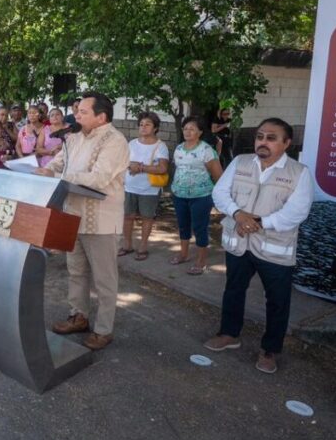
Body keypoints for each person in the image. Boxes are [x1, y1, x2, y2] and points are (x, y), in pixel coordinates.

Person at [206, 118, 314, 374]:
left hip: (274, 248)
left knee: (277, 301)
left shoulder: (299, 172)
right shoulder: (241, 162)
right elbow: (220, 193)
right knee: (233, 290)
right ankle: (229, 334)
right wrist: (237, 214)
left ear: (286, 143)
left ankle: (270, 350)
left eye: (271, 137)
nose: (263, 142)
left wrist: (260, 222)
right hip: (239, 243)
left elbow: (297, 211)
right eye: (260, 136)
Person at [37, 92, 130, 351]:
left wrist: (63, 175)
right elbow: (59, 162)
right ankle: (79, 316)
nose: (76, 115)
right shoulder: (75, 137)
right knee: (76, 271)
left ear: (101, 117)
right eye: (77, 111)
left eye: (83, 112)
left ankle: (103, 329)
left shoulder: (115, 140)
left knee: (104, 279)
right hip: (73, 216)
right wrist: (45, 170)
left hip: (101, 221)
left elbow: (99, 179)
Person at [170, 116, 223, 275]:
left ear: (200, 132)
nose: (188, 131)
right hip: (179, 194)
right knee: (183, 225)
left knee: (200, 227)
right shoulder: (179, 148)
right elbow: (178, 169)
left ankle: (201, 260)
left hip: (201, 196)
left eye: (192, 128)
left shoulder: (206, 150)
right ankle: (184, 254)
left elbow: (218, 176)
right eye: (185, 128)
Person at [119, 112, 169, 261]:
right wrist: (130, 166)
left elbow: (162, 168)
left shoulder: (161, 146)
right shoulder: (132, 143)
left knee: (147, 217)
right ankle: (127, 245)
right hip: (130, 186)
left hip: (149, 189)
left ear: (155, 128)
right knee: (127, 217)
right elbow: (123, 162)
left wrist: (140, 168)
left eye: (147, 124)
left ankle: (143, 246)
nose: (143, 127)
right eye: (141, 124)